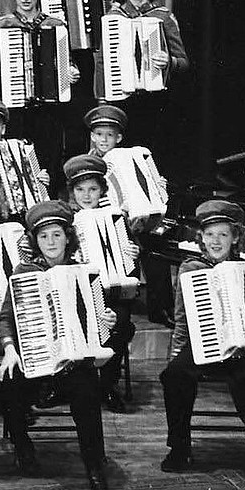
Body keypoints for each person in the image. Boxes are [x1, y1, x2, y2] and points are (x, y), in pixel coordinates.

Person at [159, 200, 245, 486]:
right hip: (203, 345)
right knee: (174, 374)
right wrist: (176, 353)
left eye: (223, 235)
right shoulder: (191, 269)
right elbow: (181, 318)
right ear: (201, 238)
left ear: (235, 238)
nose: (216, 241)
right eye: (210, 234)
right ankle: (180, 448)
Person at [0, 201, 113, 490]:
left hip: (73, 360)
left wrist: (106, 320)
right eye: (43, 236)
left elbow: (98, 325)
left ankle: (94, 463)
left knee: (87, 390)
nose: (50, 242)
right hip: (34, 355)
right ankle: (23, 447)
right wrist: (10, 349)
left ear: (67, 238)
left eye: (56, 235)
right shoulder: (23, 272)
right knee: (9, 380)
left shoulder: (85, 273)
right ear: (35, 241)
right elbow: (6, 318)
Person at [0, 0, 79, 192]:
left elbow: (66, 63)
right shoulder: (2, 26)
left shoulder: (55, 25)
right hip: (15, 110)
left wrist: (72, 72)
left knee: (49, 163)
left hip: (49, 111)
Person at [83, 103, 175, 327]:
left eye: (110, 135)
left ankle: (160, 307)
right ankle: (121, 300)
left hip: (133, 219)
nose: (104, 140)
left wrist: (158, 186)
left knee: (156, 242)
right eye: (98, 135)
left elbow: (148, 188)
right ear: (92, 136)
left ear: (119, 138)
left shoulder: (130, 157)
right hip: (103, 223)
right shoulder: (86, 163)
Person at [105, 0, 191, 178]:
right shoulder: (114, 17)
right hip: (123, 99)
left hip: (155, 102)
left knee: (153, 157)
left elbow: (184, 63)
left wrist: (168, 61)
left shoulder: (162, 16)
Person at [63, 155, 138, 412]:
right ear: (72, 192)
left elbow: (129, 267)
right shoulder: (65, 220)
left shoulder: (115, 219)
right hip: (74, 291)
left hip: (110, 293)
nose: (86, 195)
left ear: (102, 191)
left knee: (122, 324)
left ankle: (107, 385)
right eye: (80, 189)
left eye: (93, 189)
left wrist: (131, 255)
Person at [31, 0, 100, 157]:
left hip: (81, 54)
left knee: (79, 116)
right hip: (49, 53)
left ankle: (75, 172)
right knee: (51, 118)